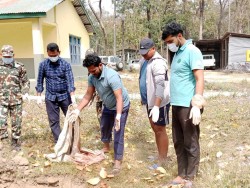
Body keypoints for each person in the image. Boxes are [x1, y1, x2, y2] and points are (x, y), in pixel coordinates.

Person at [161, 21, 206, 187]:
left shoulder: (192, 51)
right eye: (166, 43)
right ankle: (182, 173)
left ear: (179, 36)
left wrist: (197, 102)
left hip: (188, 105)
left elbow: (199, 78)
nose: (168, 45)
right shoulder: (178, 52)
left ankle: (191, 176)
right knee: (178, 140)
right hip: (176, 104)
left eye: (170, 41)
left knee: (190, 140)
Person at [69, 54, 130, 175]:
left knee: (118, 131)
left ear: (100, 65)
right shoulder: (92, 77)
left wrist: (118, 116)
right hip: (108, 105)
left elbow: (119, 98)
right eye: (90, 71)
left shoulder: (111, 76)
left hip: (121, 106)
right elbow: (88, 95)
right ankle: (106, 147)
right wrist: (78, 110)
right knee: (104, 126)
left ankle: (118, 160)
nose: (92, 73)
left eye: (94, 70)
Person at [138, 38, 170, 165]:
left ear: (153, 49)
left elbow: (160, 86)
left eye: (146, 52)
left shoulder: (158, 63)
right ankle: (159, 154)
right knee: (155, 128)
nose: (143, 54)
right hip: (150, 102)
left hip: (159, 102)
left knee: (160, 129)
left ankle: (163, 159)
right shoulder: (144, 60)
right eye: (142, 52)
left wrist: (157, 106)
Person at [35, 43, 76, 143]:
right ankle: (59, 141)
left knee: (71, 118)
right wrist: (39, 96)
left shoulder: (65, 65)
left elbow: (70, 81)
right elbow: (39, 81)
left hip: (65, 96)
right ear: (47, 53)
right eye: (50, 56)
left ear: (59, 52)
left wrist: (73, 98)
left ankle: (72, 139)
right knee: (53, 121)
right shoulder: (43, 65)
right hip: (50, 97)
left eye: (54, 55)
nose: (53, 57)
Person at [0, 45, 30, 151]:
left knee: (16, 123)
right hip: (1, 100)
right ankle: (2, 142)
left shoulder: (19, 67)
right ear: (1, 55)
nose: (7, 58)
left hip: (16, 100)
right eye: (5, 56)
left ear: (13, 55)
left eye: (9, 56)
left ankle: (15, 143)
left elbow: (25, 81)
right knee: (1, 122)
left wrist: (25, 92)